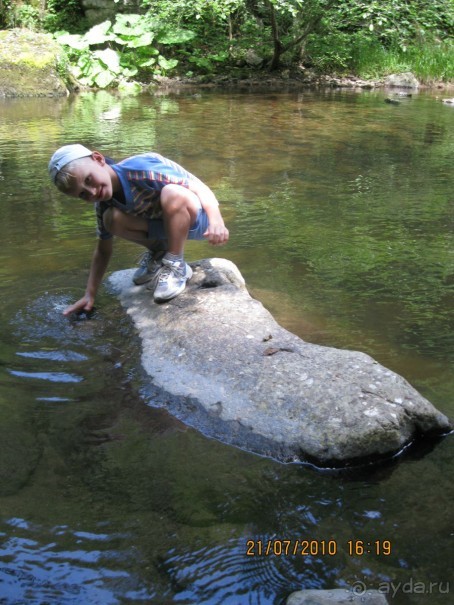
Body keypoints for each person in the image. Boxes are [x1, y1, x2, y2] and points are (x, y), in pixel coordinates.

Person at [48, 144, 229, 315]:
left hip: (198, 217)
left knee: (172, 193)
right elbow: (103, 250)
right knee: (111, 219)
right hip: (167, 225)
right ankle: (160, 253)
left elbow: (199, 187)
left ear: (98, 159)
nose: (92, 192)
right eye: (82, 194)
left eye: (88, 179)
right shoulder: (104, 203)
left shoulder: (139, 169)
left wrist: (216, 220)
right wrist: (90, 294)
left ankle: (175, 264)